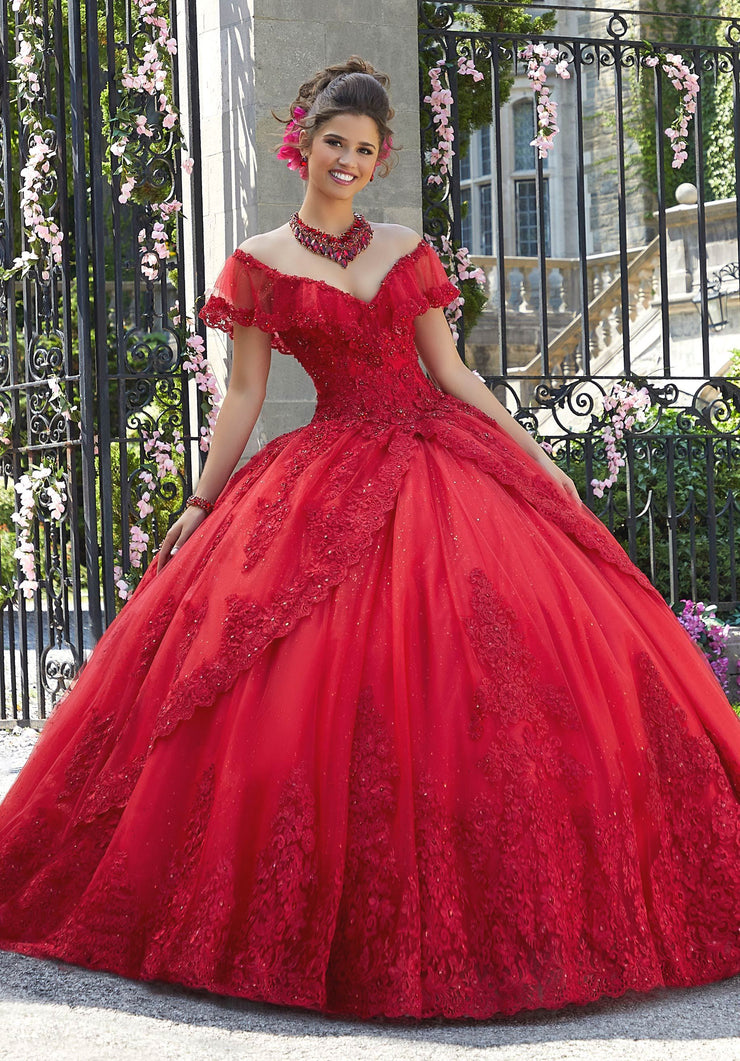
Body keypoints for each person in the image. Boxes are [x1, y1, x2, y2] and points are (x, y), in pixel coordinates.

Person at [0, 55, 738, 1022]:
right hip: (324, 464)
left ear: (380, 159)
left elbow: (456, 376)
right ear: (302, 142)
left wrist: (537, 454)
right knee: (291, 676)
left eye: (364, 150)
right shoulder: (258, 263)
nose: (346, 161)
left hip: (438, 459)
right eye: (333, 144)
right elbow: (247, 395)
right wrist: (200, 500)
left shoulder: (406, 247)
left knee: (495, 656)